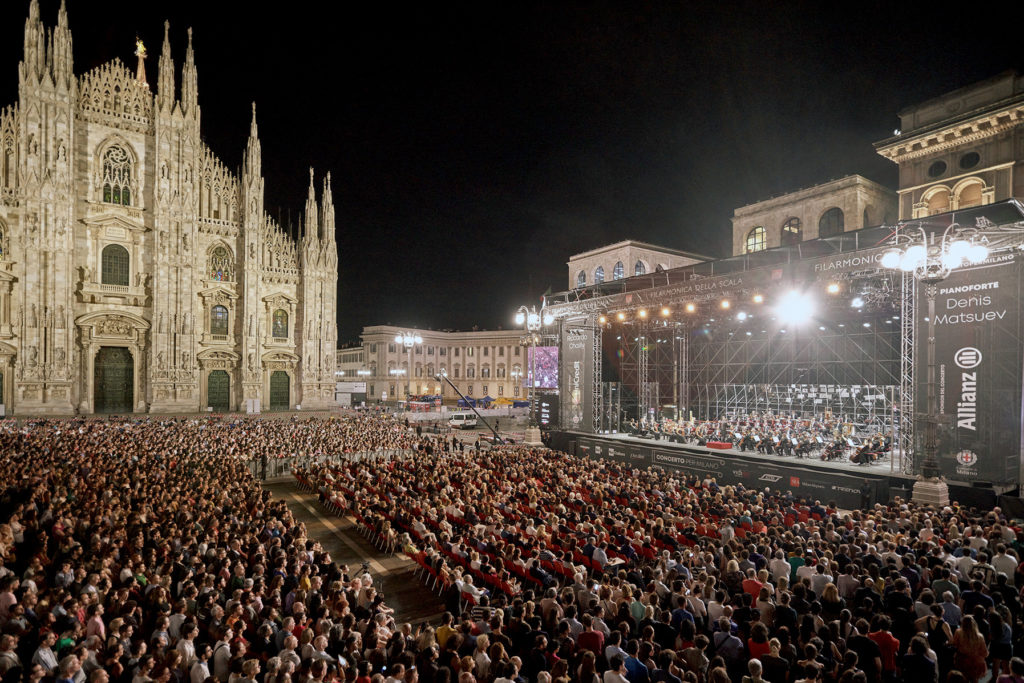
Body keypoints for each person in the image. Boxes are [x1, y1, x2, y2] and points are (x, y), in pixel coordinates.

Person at [951, 615, 989, 683]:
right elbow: (985, 653)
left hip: (962, 661)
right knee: (975, 680)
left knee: (963, 679)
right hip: (975, 662)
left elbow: (954, 644)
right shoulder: (979, 636)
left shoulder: (958, 633)